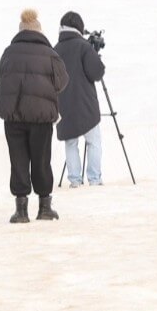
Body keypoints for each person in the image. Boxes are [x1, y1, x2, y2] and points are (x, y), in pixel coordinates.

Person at [0, 9, 69, 223]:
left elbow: (0, 78)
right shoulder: (50, 54)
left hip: (14, 116)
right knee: (41, 160)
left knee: (18, 160)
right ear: (39, 31)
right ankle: (44, 207)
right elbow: (62, 82)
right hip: (41, 117)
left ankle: (21, 211)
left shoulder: (8, 53)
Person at [54, 11, 106, 188]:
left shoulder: (55, 50)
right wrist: (94, 53)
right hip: (86, 105)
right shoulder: (83, 47)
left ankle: (75, 181)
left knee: (70, 142)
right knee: (93, 141)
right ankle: (94, 179)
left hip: (63, 105)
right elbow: (97, 73)